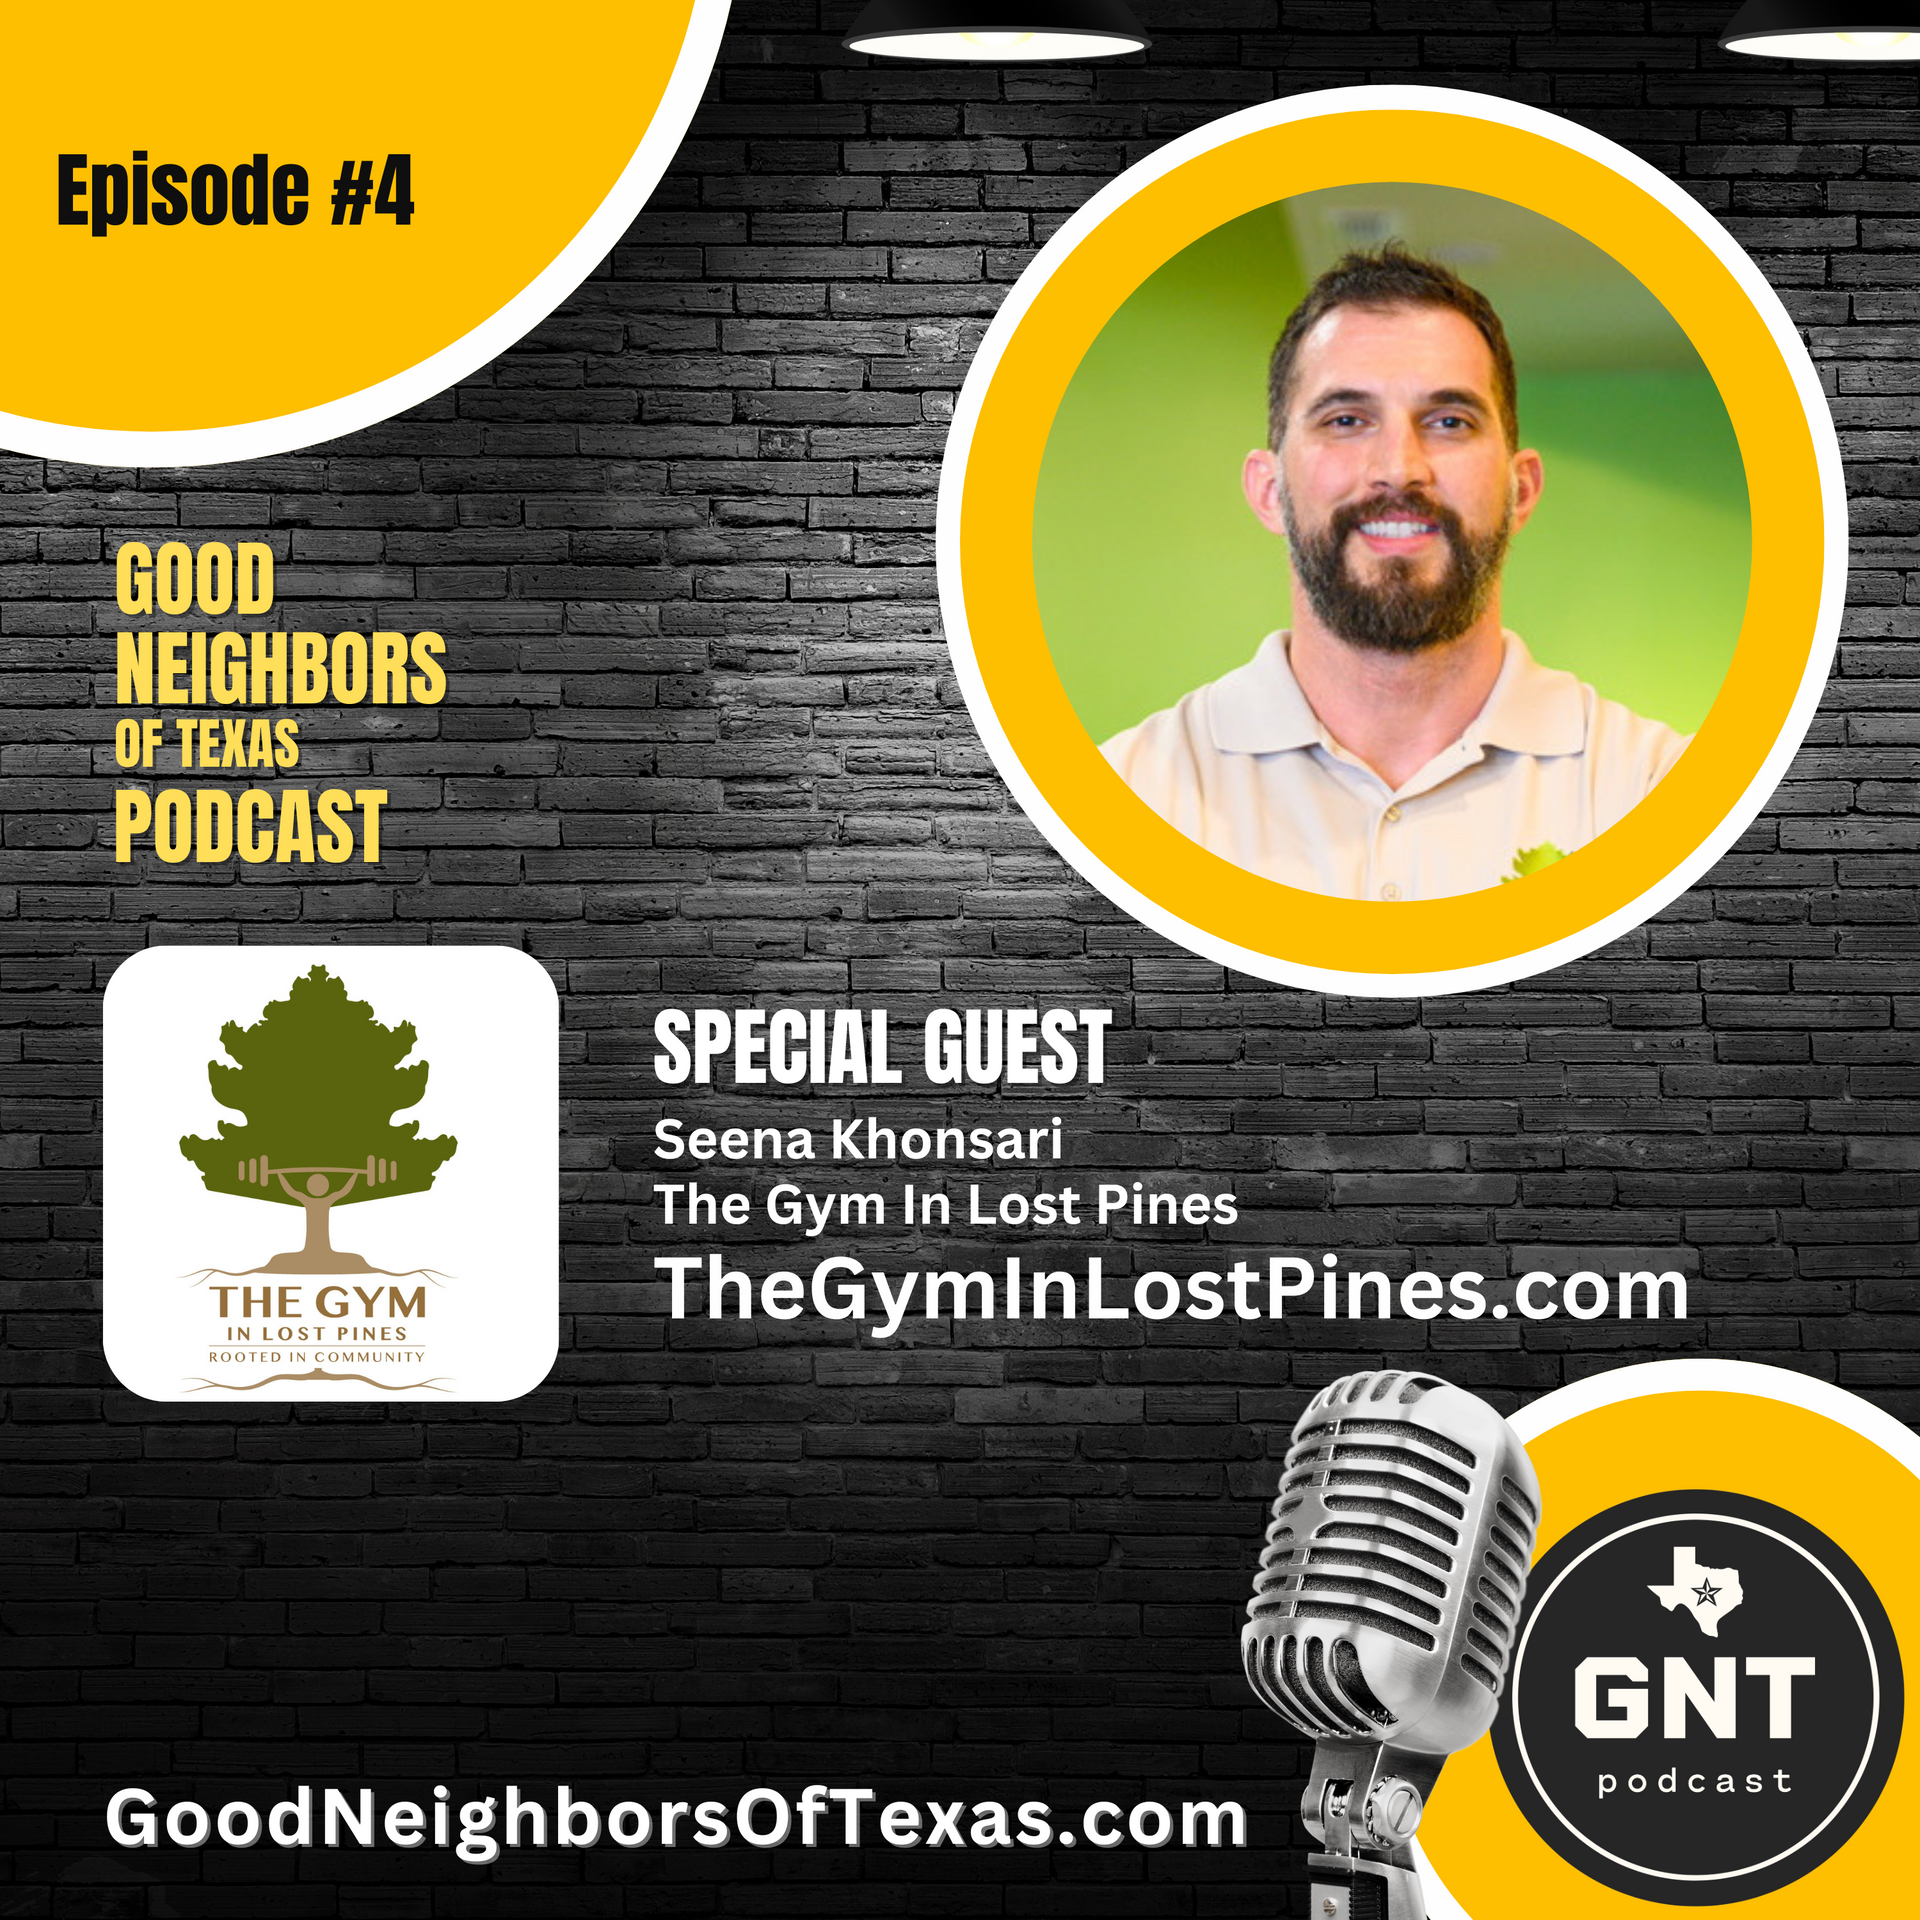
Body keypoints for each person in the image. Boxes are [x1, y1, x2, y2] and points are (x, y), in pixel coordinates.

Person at [1101, 244, 1689, 902]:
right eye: (1346, 420)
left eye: (1448, 421)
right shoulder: (1127, 798)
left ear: (1520, 490)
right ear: (1270, 491)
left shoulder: (1661, 794)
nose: (1399, 467)